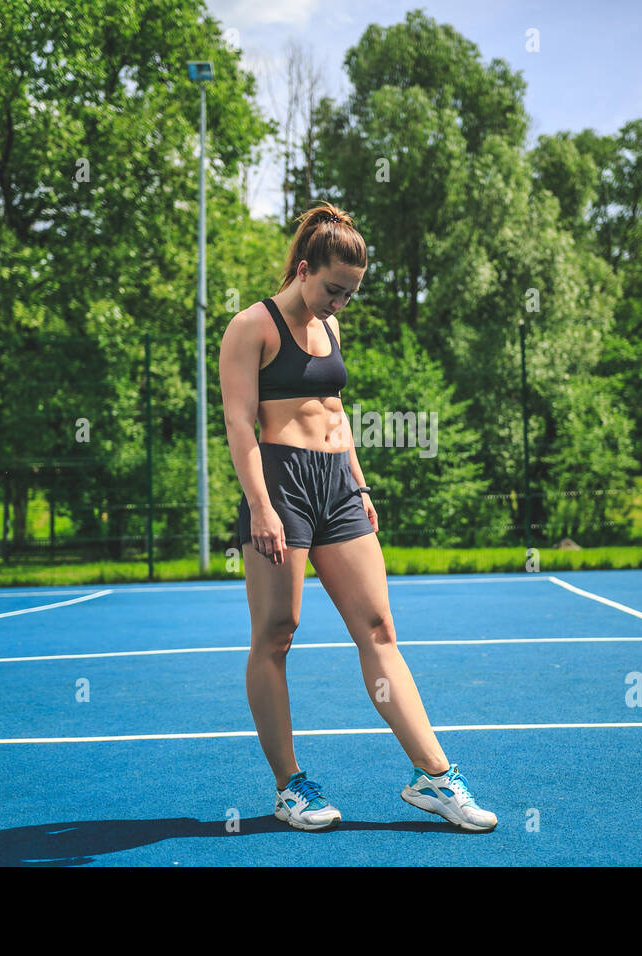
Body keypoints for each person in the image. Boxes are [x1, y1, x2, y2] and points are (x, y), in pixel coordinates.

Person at [217, 201, 497, 833]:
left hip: (338, 486)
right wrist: (260, 505)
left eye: (350, 294)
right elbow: (239, 425)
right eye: (334, 289)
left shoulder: (331, 327)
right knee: (277, 633)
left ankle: (435, 777)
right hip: (280, 483)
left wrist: (361, 485)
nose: (340, 303)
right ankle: (291, 788)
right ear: (305, 268)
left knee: (378, 627)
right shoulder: (251, 327)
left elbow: (336, 416)